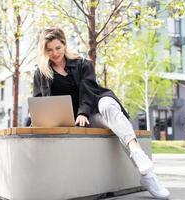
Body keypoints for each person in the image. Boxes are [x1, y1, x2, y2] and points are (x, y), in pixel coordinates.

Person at [32, 27, 170, 199]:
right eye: (49, 50)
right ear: (44, 50)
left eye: (58, 48)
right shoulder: (41, 73)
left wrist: (83, 112)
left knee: (109, 106)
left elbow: (89, 91)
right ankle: (148, 177)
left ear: (65, 45)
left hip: (93, 111)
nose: (54, 53)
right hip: (69, 121)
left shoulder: (83, 64)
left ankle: (140, 157)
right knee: (117, 125)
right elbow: (38, 103)